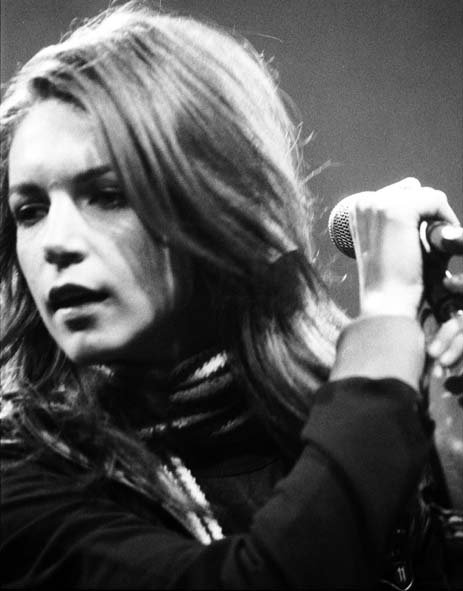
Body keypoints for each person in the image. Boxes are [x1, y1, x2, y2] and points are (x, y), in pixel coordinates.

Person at [1, 2, 462, 588]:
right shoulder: (22, 474)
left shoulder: (352, 408)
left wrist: (448, 446)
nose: (55, 244)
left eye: (108, 195)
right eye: (31, 210)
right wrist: (388, 315)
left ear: (223, 200)